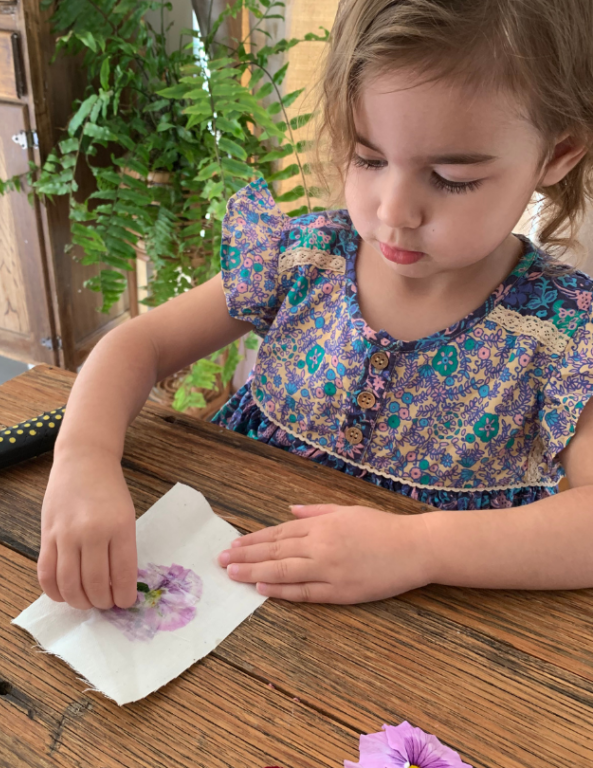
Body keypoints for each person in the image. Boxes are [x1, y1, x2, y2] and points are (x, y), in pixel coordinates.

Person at [38, 0, 593, 610]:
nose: (393, 211)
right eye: (369, 158)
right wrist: (84, 458)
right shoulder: (304, 257)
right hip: (221, 573)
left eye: (452, 177)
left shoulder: (562, 332)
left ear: (557, 153)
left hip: (426, 636)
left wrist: (421, 546)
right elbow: (139, 344)